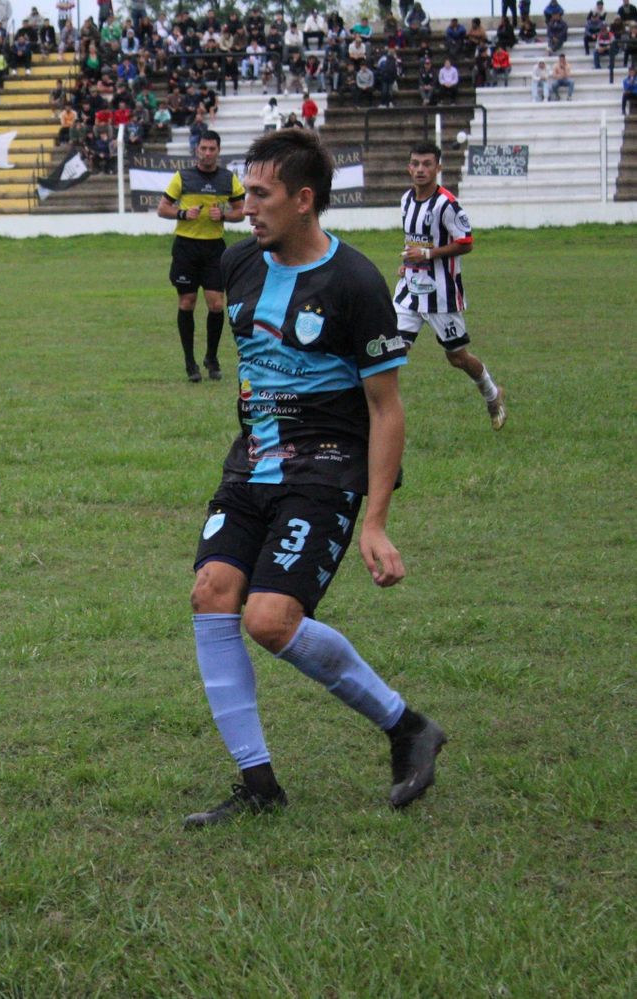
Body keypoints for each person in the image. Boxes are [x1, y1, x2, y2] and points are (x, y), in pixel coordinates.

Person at [183, 128, 447, 828]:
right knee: (212, 592)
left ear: (304, 200)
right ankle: (258, 784)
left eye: (261, 195)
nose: (246, 207)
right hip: (251, 465)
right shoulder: (240, 267)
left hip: (326, 469)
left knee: (269, 620)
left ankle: (406, 726)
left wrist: (376, 519)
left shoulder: (356, 282)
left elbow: (386, 410)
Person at [393, 143, 506, 429]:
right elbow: (413, 239)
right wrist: (408, 263)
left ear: (438, 168)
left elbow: (466, 242)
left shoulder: (447, 204)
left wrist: (429, 255)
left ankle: (492, 394)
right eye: (416, 163)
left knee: (456, 357)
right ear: (409, 167)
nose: (420, 169)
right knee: (393, 351)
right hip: (409, 291)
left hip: (441, 295)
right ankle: (376, 418)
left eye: (427, 164)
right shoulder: (406, 199)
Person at [156, 130, 245, 382]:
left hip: (214, 249)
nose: (207, 153)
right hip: (186, 247)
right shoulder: (182, 177)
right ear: (197, 150)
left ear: (218, 151)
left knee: (216, 304)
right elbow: (162, 208)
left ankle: (212, 358)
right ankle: (190, 363)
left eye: (212, 149)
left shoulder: (229, 179)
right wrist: (183, 214)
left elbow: (241, 210)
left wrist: (225, 216)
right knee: (187, 303)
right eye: (203, 148)